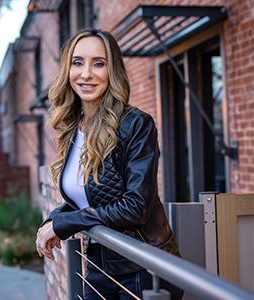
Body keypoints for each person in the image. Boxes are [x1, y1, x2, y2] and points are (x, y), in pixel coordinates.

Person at [36, 28, 184, 300]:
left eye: (99, 63)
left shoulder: (136, 125)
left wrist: (66, 224)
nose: (87, 73)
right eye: (77, 62)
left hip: (144, 268)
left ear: (112, 71)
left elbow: (136, 207)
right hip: (99, 266)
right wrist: (54, 219)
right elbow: (88, 198)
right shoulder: (74, 129)